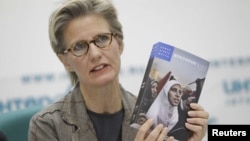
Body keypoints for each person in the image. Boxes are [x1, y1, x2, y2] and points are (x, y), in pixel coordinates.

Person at [28, 0, 209, 141]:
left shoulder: (151, 116)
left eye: (102, 38)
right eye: (79, 46)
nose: (95, 53)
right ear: (65, 61)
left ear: (119, 44)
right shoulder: (48, 125)